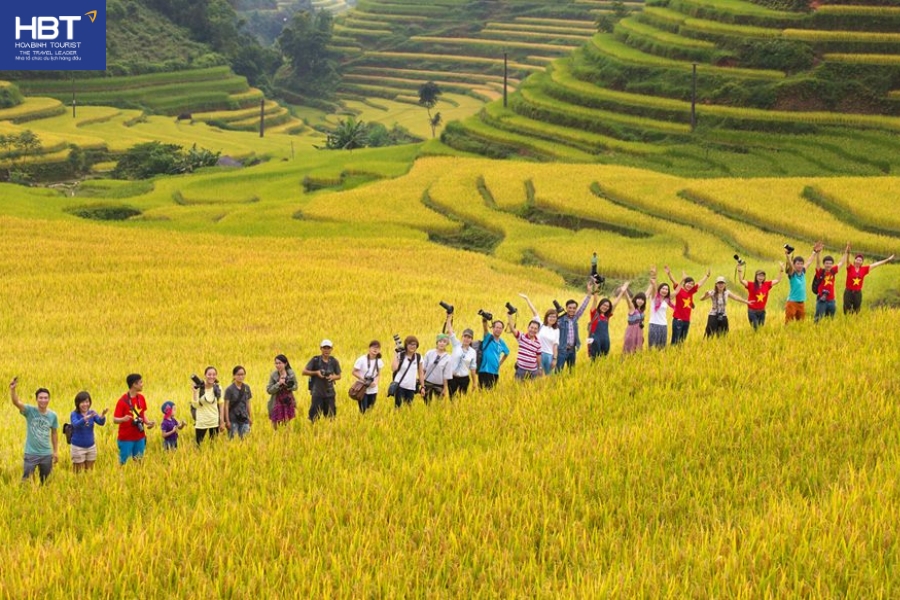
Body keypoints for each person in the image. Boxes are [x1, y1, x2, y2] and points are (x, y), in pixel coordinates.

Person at [10, 377, 58, 484]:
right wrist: (13, 390)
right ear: (36, 399)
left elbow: (54, 433)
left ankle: (42, 499)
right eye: (40, 398)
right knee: (26, 481)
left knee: (46, 482)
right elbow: (16, 402)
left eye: (46, 398)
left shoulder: (53, 415)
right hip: (31, 454)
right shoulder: (29, 411)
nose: (43, 400)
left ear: (49, 399)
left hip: (46, 454)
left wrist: (55, 451)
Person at [113, 373, 155, 466]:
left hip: (140, 436)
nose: (142, 384)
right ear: (134, 385)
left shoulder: (141, 398)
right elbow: (115, 419)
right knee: (123, 463)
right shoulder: (122, 401)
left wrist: (148, 422)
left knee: (139, 462)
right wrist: (123, 419)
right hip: (126, 438)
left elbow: (142, 414)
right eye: (140, 382)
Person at [664, 266, 711, 345]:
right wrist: (669, 273)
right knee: (675, 342)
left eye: (692, 284)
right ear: (684, 284)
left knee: (682, 342)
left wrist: (706, 276)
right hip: (678, 320)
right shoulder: (679, 290)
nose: (690, 285)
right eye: (689, 283)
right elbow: (674, 281)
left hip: (687, 321)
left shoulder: (691, 292)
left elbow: (699, 284)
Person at [843, 248, 895, 314]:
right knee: (847, 310)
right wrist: (848, 253)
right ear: (854, 260)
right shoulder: (850, 268)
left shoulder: (864, 269)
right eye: (857, 259)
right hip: (848, 292)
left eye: (860, 260)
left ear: (862, 262)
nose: (858, 261)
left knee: (857, 310)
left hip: (857, 293)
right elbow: (847, 261)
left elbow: (876, 264)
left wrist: (887, 260)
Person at [556, 281, 593, 371]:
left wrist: (589, 293)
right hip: (562, 350)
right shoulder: (560, 320)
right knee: (558, 372)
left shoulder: (575, 318)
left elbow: (583, 307)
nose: (572, 310)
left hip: (572, 350)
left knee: (571, 372)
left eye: (574, 308)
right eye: (570, 308)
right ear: (566, 308)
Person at [519, 293, 559, 375]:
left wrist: (554, 359)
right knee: (537, 376)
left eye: (554, 317)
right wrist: (527, 299)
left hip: (549, 356)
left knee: (548, 377)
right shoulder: (541, 325)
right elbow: (535, 313)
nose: (552, 318)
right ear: (546, 317)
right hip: (537, 355)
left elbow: (555, 345)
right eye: (550, 316)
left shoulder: (556, 330)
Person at [303, 340, 342, 422]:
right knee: (314, 418)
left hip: (330, 394)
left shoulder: (334, 361)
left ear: (331, 349)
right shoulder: (315, 360)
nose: (326, 350)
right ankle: (313, 432)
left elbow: (339, 376)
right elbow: (304, 371)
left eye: (328, 348)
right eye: (324, 348)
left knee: (331, 418)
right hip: (317, 393)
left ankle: (329, 433)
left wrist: (332, 377)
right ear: (321, 348)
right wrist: (316, 372)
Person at [69, 391, 107, 473]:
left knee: (89, 471)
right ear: (77, 403)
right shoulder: (74, 414)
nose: (85, 404)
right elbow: (75, 424)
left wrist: (103, 415)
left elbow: (101, 422)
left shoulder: (92, 412)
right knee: (78, 472)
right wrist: (85, 418)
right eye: (82, 402)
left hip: (91, 446)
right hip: (77, 447)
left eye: (87, 401)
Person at [785, 242, 823, 323]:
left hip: (801, 303)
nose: (800, 266)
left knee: (801, 323)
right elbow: (790, 267)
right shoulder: (792, 274)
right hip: (792, 303)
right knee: (788, 323)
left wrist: (815, 252)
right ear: (794, 265)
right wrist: (788, 256)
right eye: (798, 264)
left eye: (801, 264)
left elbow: (809, 262)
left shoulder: (802, 272)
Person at [737, 262, 783, 329]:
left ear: (764, 277)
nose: (760, 277)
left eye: (762, 276)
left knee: (761, 329)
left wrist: (781, 270)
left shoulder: (767, 284)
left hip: (762, 311)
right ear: (756, 276)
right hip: (752, 311)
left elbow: (777, 280)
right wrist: (739, 270)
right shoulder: (751, 285)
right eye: (759, 276)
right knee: (756, 328)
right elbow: (741, 280)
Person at [587, 285, 628, 359]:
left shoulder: (607, 316)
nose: (605, 307)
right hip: (595, 340)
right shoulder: (594, 314)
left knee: (603, 360)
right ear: (600, 305)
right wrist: (596, 287)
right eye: (604, 305)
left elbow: (615, 304)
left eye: (607, 306)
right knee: (594, 360)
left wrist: (622, 292)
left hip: (605, 340)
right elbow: (595, 300)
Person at [813, 244, 849, 322]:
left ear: (832, 264)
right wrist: (818, 253)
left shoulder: (833, 271)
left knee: (830, 319)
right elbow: (818, 263)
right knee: (818, 319)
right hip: (821, 300)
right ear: (824, 264)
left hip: (831, 300)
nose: (828, 265)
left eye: (830, 263)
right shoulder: (820, 272)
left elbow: (842, 262)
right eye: (826, 263)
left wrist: (846, 252)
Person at [191, 366, 224, 445]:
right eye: (209, 374)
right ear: (205, 375)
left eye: (214, 374)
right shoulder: (199, 388)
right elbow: (195, 405)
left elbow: (221, 404)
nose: (211, 377)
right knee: (199, 445)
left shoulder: (218, 388)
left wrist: (222, 421)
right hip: (201, 422)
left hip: (214, 421)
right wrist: (195, 392)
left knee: (214, 445)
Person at [446, 316, 477, 398]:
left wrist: (474, 382)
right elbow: (450, 332)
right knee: (452, 399)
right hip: (452, 378)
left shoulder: (472, 352)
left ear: (471, 340)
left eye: (469, 337)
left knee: (461, 400)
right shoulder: (456, 344)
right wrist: (449, 319)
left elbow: (473, 368)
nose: (466, 339)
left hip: (464, 379)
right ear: (462, 337)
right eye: (465, 336)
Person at [391, 336, 424, 407]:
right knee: (398, 408)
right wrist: (396, 354)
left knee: (408, 407)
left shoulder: (418, 357)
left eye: (414, 344)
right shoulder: (401, 355)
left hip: (411, 387)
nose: (412, 346)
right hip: (400, 386)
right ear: (406, 345)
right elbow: (394, 369)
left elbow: (421, 373)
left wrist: (422, 387)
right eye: (410, 344)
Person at [266, 354, 298, 429]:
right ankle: (276, 439)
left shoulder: (291, 374)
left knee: (287, 424)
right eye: (276, 363)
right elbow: (269, 390)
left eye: (280, 363)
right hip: (276, 401)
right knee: (275, 425)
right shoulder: (273, 375)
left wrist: (288, 386)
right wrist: (279, 384)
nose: (278, 365)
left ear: (285, 363)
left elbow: (296, 386)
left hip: (288, 402)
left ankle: (287, 439)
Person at [477, 318, 510, 389]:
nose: (498, 330)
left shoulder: (502, 342)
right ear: (493, 328)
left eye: (500, 328)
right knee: (482, 393)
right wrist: (484, 319)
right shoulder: (488, 337)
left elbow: (507, 353)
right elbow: (485, 328)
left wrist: (500, 363)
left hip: (495, 372)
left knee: (491, 393)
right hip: (484, 371)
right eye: (497, 327)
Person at [352, 341, 384, 413]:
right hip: (362, 389)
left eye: (377, 348)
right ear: (369, 348)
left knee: (370, 410)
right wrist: (363, 379)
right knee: (363, 411)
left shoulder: (379, 361)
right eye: (373, 347)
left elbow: (378, 374)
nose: (375, 349)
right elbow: (354, 372)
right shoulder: (361, 359)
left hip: (373, 389)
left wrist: (375, 382)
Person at [621, 281, 651, 354]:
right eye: (638, 299)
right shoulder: (632, 308)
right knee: (629, 350)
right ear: (635, 299)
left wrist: (652, 284)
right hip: (631, 332)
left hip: (639, 331)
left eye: (642, 300)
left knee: (637, 351)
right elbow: (628, 301)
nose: (640, 301)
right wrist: (625, 291)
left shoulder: (641, 310)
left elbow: (646, 295)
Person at [421, 334, 454, 401]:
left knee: (438, 405)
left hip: (439, 385)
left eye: (444, 342)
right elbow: (423, 369)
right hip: (427, 383)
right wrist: (422, 385)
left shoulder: (448, 358)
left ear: (447, 344)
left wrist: (445, 388)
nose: (442, 343)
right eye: (440, 341)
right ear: (437, 342)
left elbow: (446, 375)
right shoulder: (429, 353)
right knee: (426, 404)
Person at [509, 315, 543, 380]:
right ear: (528, 327)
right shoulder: (522, 337)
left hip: (533, 371)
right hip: (521, 370)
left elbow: (538, 357)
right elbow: (513, 329)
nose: (533, 330)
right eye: (531, 327)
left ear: (538, 330)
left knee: (531, 389)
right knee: (517, 388)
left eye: (535, 328)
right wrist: (510, 316)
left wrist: (540, 368)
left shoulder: (538, 343)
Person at [224, 366, 252, 439]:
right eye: (238, 375)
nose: (241, 377)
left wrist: (250, 417)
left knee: (246, 441)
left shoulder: (247, 388)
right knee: (233, 441)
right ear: (234, 376)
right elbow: (226, 406)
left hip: (244, 418)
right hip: (233, 420)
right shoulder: (229, 389)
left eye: (242, 374)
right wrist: (227, 421)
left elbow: (248, 403)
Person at [647, 267, 672, 349]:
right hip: (654, 324)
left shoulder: (666, 300)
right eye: (663, 289)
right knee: (652, 347)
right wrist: (654, 277)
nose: (664, 290)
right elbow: (654, 288)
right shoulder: (655, 298)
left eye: (666, 289)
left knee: (662, 348)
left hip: (664, 325)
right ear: (659, 290)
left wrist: (669, 274)